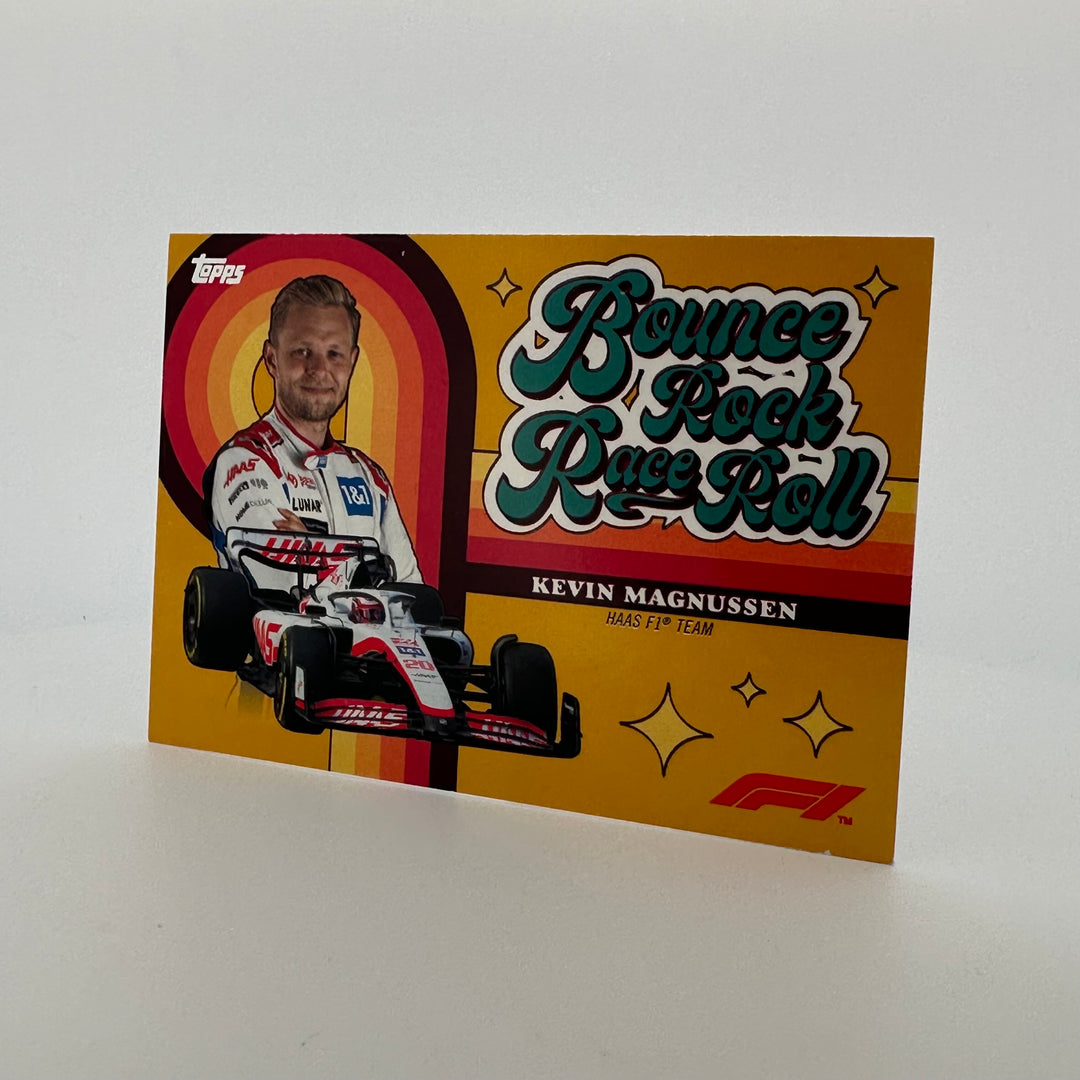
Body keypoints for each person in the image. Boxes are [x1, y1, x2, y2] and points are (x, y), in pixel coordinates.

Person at [205, 275, 421, 583]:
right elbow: (282, 584)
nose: (319, 369)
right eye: (302, 351)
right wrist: (367, 572)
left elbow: (411, 594)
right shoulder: (244, 461)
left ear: (352, 362)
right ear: (271, 359)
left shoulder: (369, 478)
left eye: (334, 354)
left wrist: (314, 550)